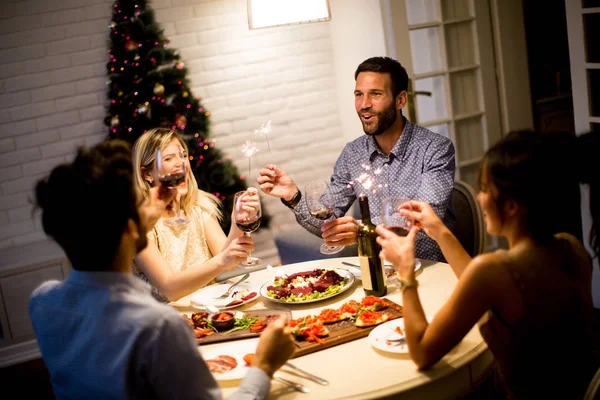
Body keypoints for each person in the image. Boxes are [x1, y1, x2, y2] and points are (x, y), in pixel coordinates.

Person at [29, 140, 295, 399]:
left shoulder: (42, 302)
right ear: (132, 228)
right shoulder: (156, 326)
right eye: (138, 204)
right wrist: (264, 366)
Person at [376, 130, 599, 399]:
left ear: (513, 206)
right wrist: (439, 230)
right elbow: (484, 285)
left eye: (484, 189)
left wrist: (405, 272)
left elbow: (422, 352)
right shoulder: (570, 248)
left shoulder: (495, 271)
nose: (479, 198)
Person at [258, 56, 455, 262]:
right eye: (358, 94)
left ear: (401, 100)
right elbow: (329, 224)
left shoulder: (436, 148)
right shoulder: (353, 153)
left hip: (430, 268)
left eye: (375, 94)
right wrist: (293, 196)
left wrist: (363, 229)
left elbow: (425, 217)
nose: (364, 105)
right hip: (378, 273)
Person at [132, 128, 257, 302]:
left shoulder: (198, 205)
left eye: (183, 156)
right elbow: (170, 290)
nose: (181, 164)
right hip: (165, 320)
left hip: (210, 310)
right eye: (169, 158)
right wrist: (222, 260)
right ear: (147, 174)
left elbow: (229, 258)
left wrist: (238, 221)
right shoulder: (141, 223)